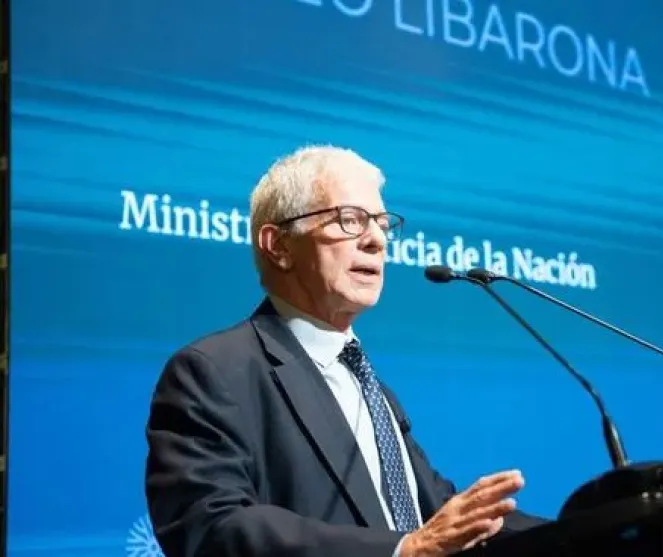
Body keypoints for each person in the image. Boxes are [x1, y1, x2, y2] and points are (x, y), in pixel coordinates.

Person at [144, 145, 547, 557]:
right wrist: (402, 551)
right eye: (350, 220)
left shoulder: (370, 387)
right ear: (278, 245)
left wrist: (579, 532)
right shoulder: (214, 373)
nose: (376, 240)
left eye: (382, 224)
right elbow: (210, 526)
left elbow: (438, 516)